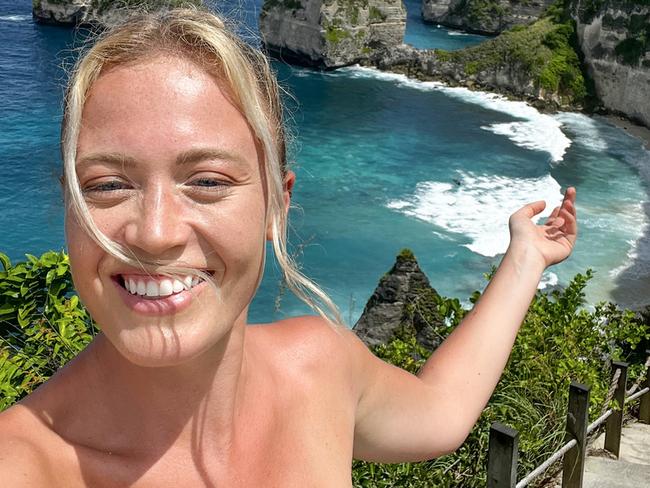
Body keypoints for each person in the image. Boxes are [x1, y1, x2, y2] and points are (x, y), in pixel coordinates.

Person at [0, 7, 577, 486]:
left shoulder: (318, 368)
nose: (155, 232)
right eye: (107, 185)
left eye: (207, 181)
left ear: (278, 205)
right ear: (71, 205)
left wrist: (525, 255)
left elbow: (442, 413)